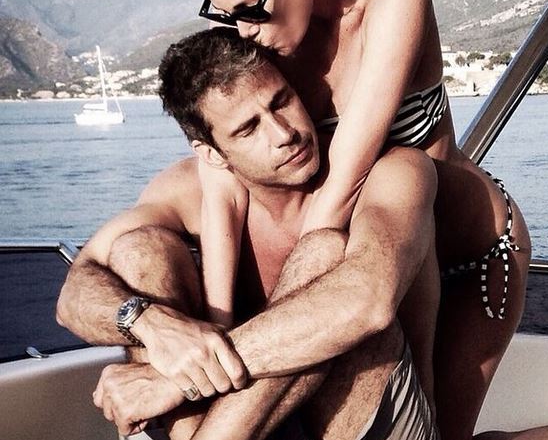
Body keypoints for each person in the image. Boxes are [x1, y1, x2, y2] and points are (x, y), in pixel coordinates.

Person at [177, 0, 548, 439]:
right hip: (377, 256)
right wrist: (216, 324)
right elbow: (222, 178)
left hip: (468, 251)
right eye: (223, 14)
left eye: (250, 9)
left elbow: (340, 189)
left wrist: (255, 345)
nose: (241, 30)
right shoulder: (267, 35)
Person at [57, 28, 441, 440]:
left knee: (324, 254)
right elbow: (74, 295)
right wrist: (150, 323)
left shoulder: (393, 171)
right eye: (248, 129)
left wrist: (176, 380)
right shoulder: (187, 190)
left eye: (281, 101)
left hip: (374, 426)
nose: (284, 134)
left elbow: (368, 301)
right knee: (139, 251)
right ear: (211, 153)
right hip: (244, 428)